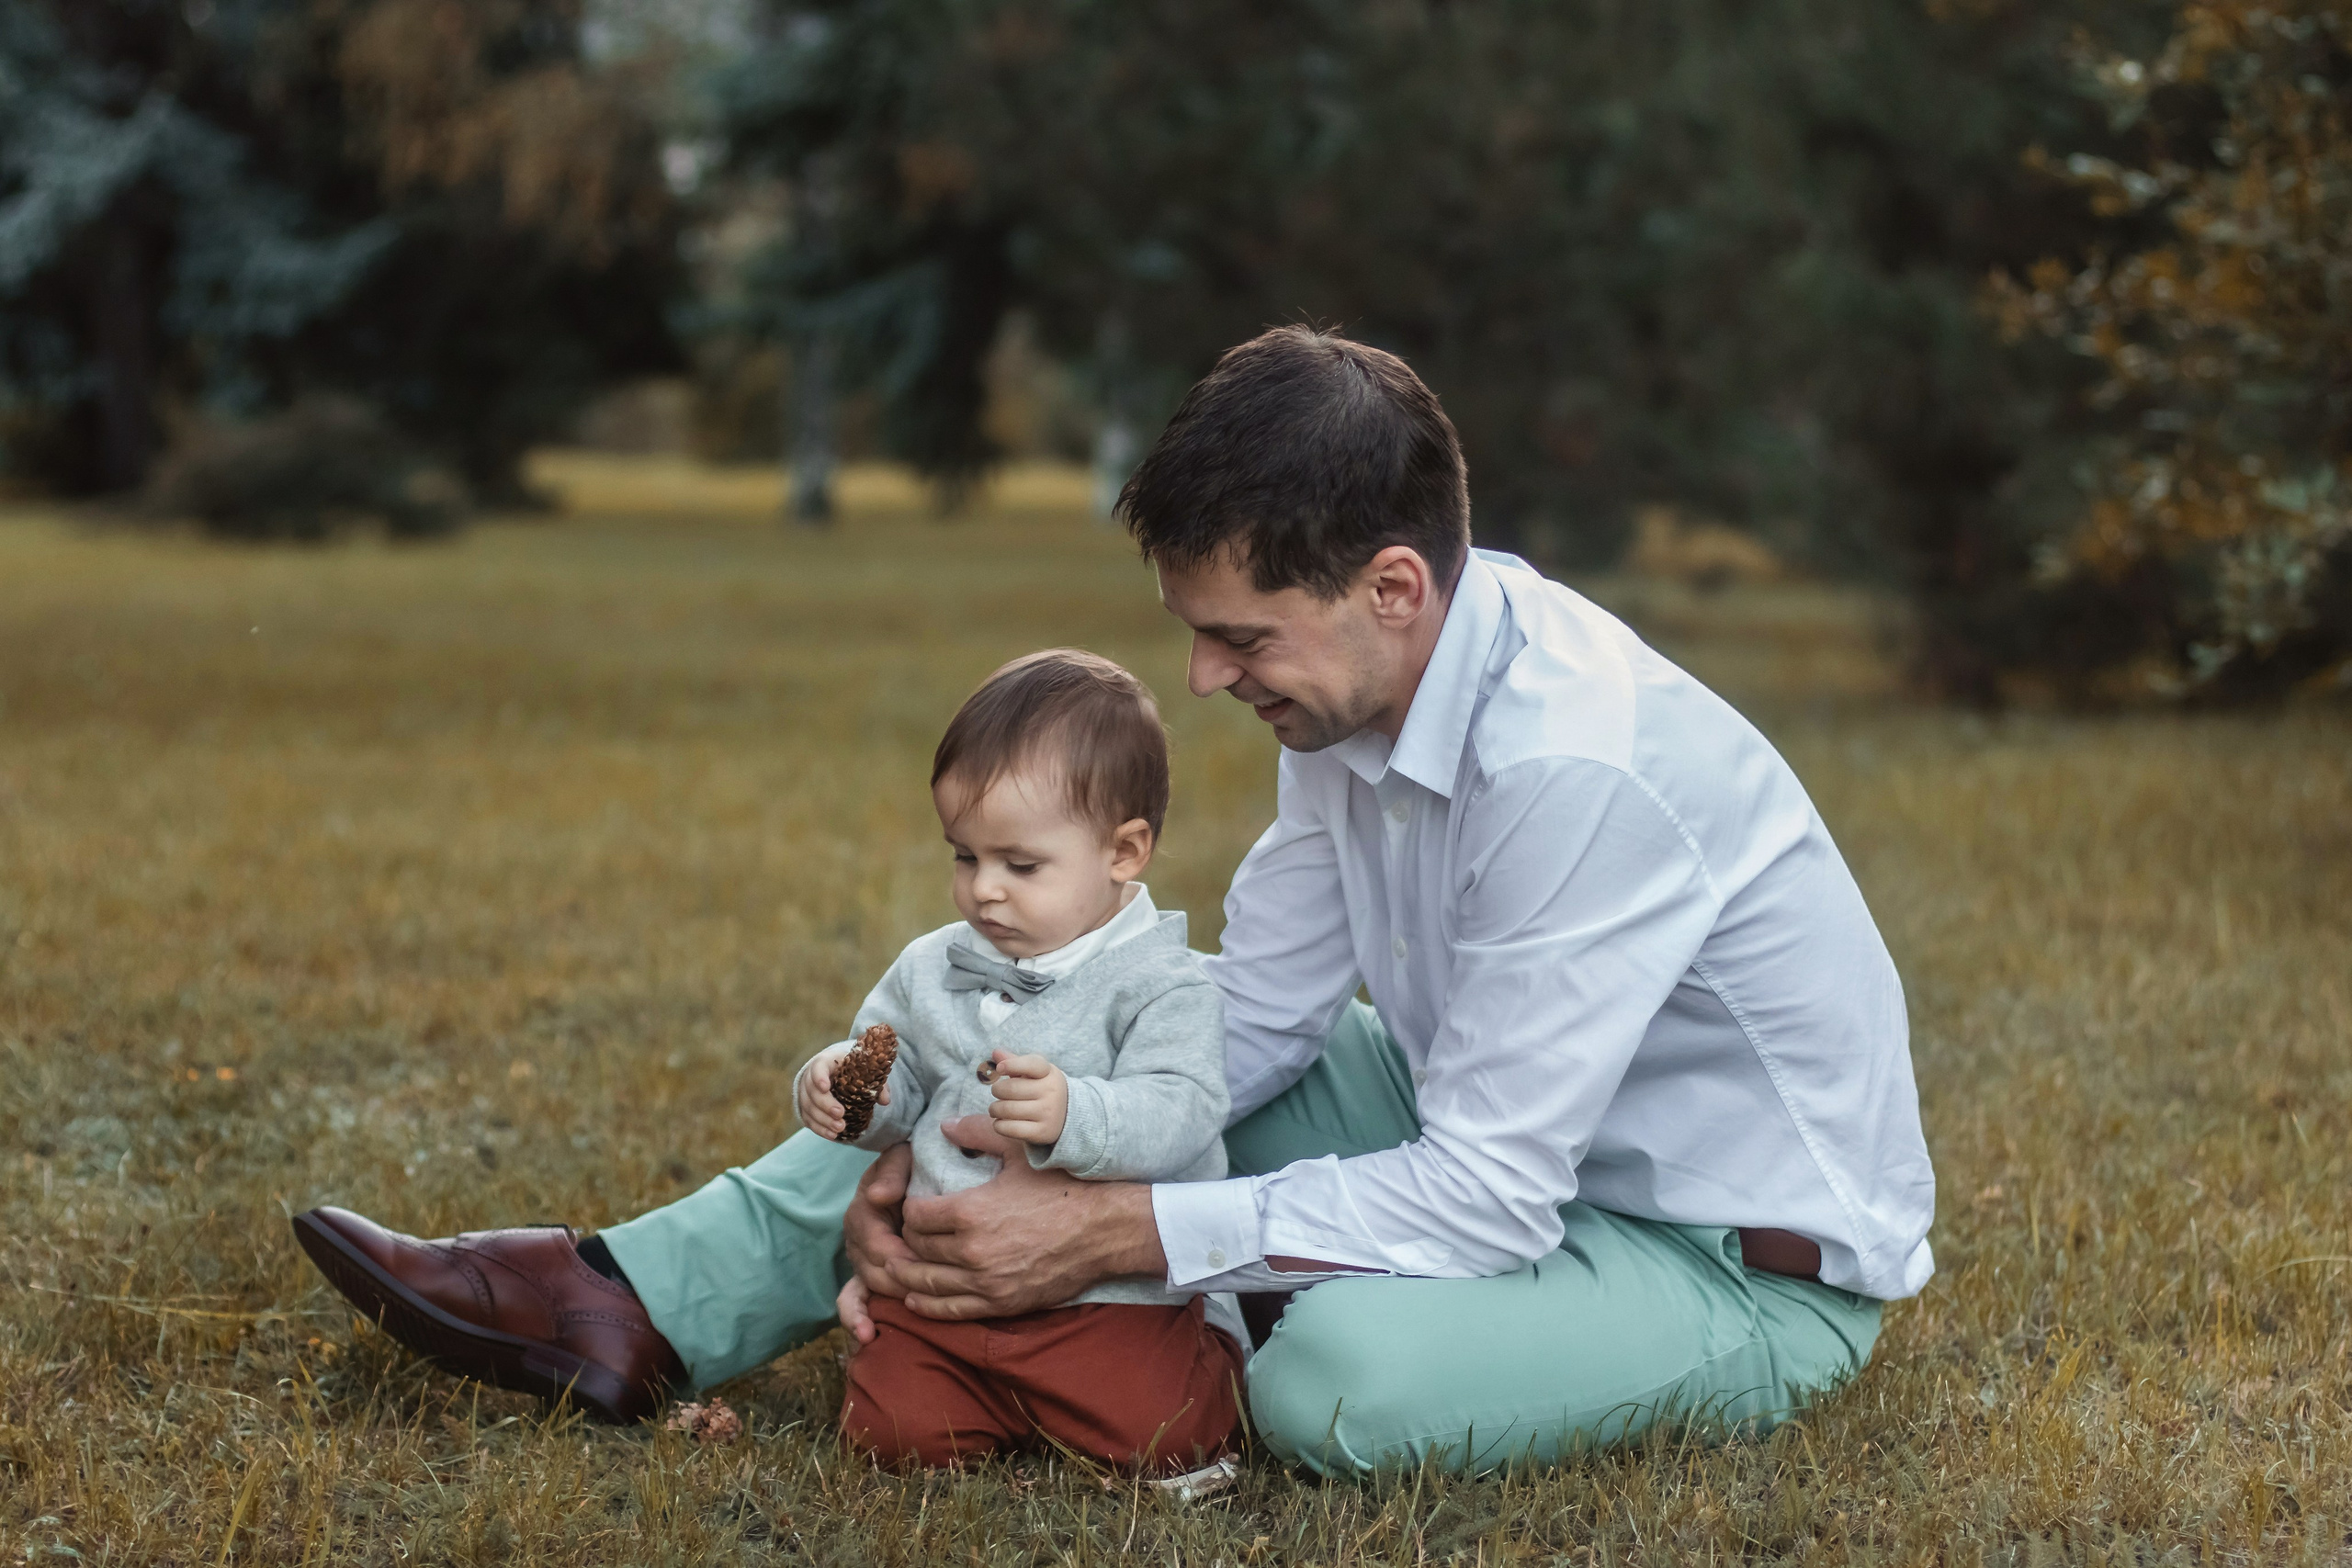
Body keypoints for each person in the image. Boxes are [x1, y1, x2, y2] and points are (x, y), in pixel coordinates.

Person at [295, 326, 1936, 1475]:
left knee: (1337, 1392)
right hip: (1473, 1124)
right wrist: (946, 1161)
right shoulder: (1362, 696)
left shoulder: (1578, 765)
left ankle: (1144, 1335)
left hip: (1718, 1259)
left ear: (1393, 586)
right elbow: (1253, 1022)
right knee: (1047, 1031)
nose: (1205, 680)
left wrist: (1110, 1229)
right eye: (1194, 633)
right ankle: (631, 1300)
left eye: (1239, 637)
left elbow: (1495, 1196)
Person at [797, 649, 1244, 1471]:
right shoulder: (933, 964)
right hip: (948, 1285)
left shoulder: (1163, 982)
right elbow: (900, 1080)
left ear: (1125, 851)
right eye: (965, 856)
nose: (984, 889)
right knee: (890, 1432)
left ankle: (1211, 1352)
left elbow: (1185, 1107)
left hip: (1107, 1299)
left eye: (1021, 865)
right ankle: (977, 1392)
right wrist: (854, 1091)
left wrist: (1080, 1112)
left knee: (1166, 1435)